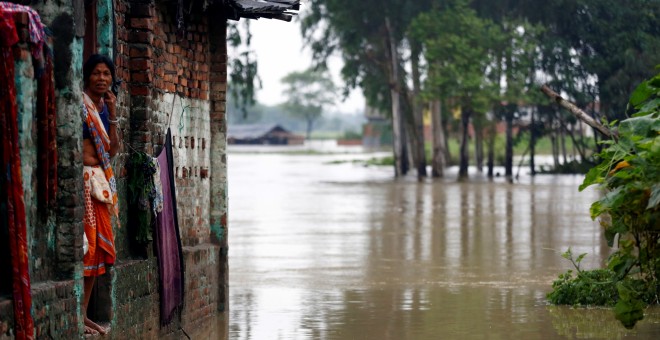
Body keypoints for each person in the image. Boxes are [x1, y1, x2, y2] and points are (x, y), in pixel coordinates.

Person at [81, 54, 120, 336]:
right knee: (87, 249)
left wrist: (115, 114)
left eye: (106, 73)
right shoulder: (80, 106)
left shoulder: (105, 109)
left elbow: (112, 151)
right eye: (97, 73)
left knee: (99, 252)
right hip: (83, 182)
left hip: (100, 185)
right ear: (87, 76)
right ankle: (78, 313)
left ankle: (82, 314)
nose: (102, 78)